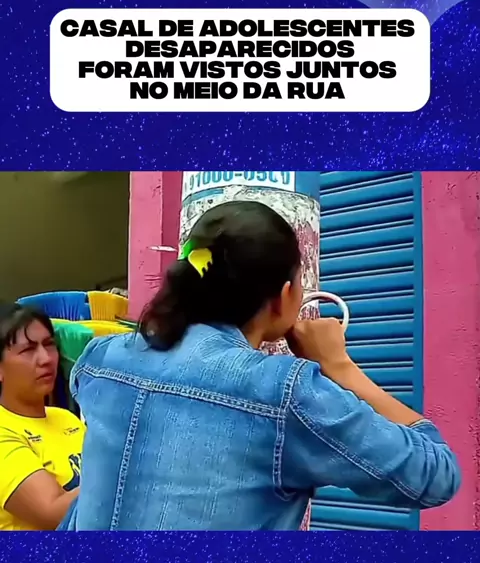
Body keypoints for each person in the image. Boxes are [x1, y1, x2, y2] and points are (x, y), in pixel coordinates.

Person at [60, 201, 460, 531]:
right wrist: (339, 367)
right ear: (284, 296)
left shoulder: (102, 359)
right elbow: (436, 474)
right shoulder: (283, 393)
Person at [0, 303, 85, 530]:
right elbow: (54, 513)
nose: (46, 358)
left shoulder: (66, 418)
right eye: (28, 350)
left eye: (49, 345)